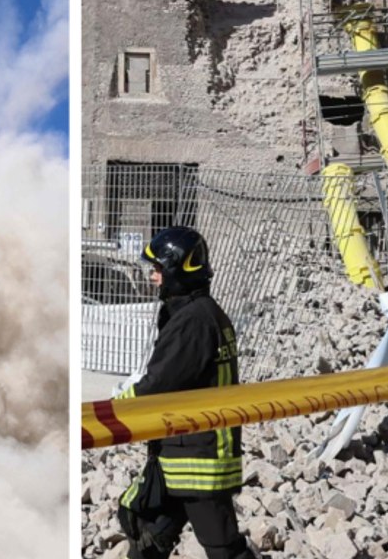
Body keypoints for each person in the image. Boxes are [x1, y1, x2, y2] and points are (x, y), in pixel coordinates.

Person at [116, 226, 256, 559]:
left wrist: (117, 407)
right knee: (147, 531)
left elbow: (159, 384)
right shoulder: (199, 313)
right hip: (181, 454)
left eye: (158, 270)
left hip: (199, 461)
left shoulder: (194, 321)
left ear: (178, 270)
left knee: (224, 549)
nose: (153, 278)